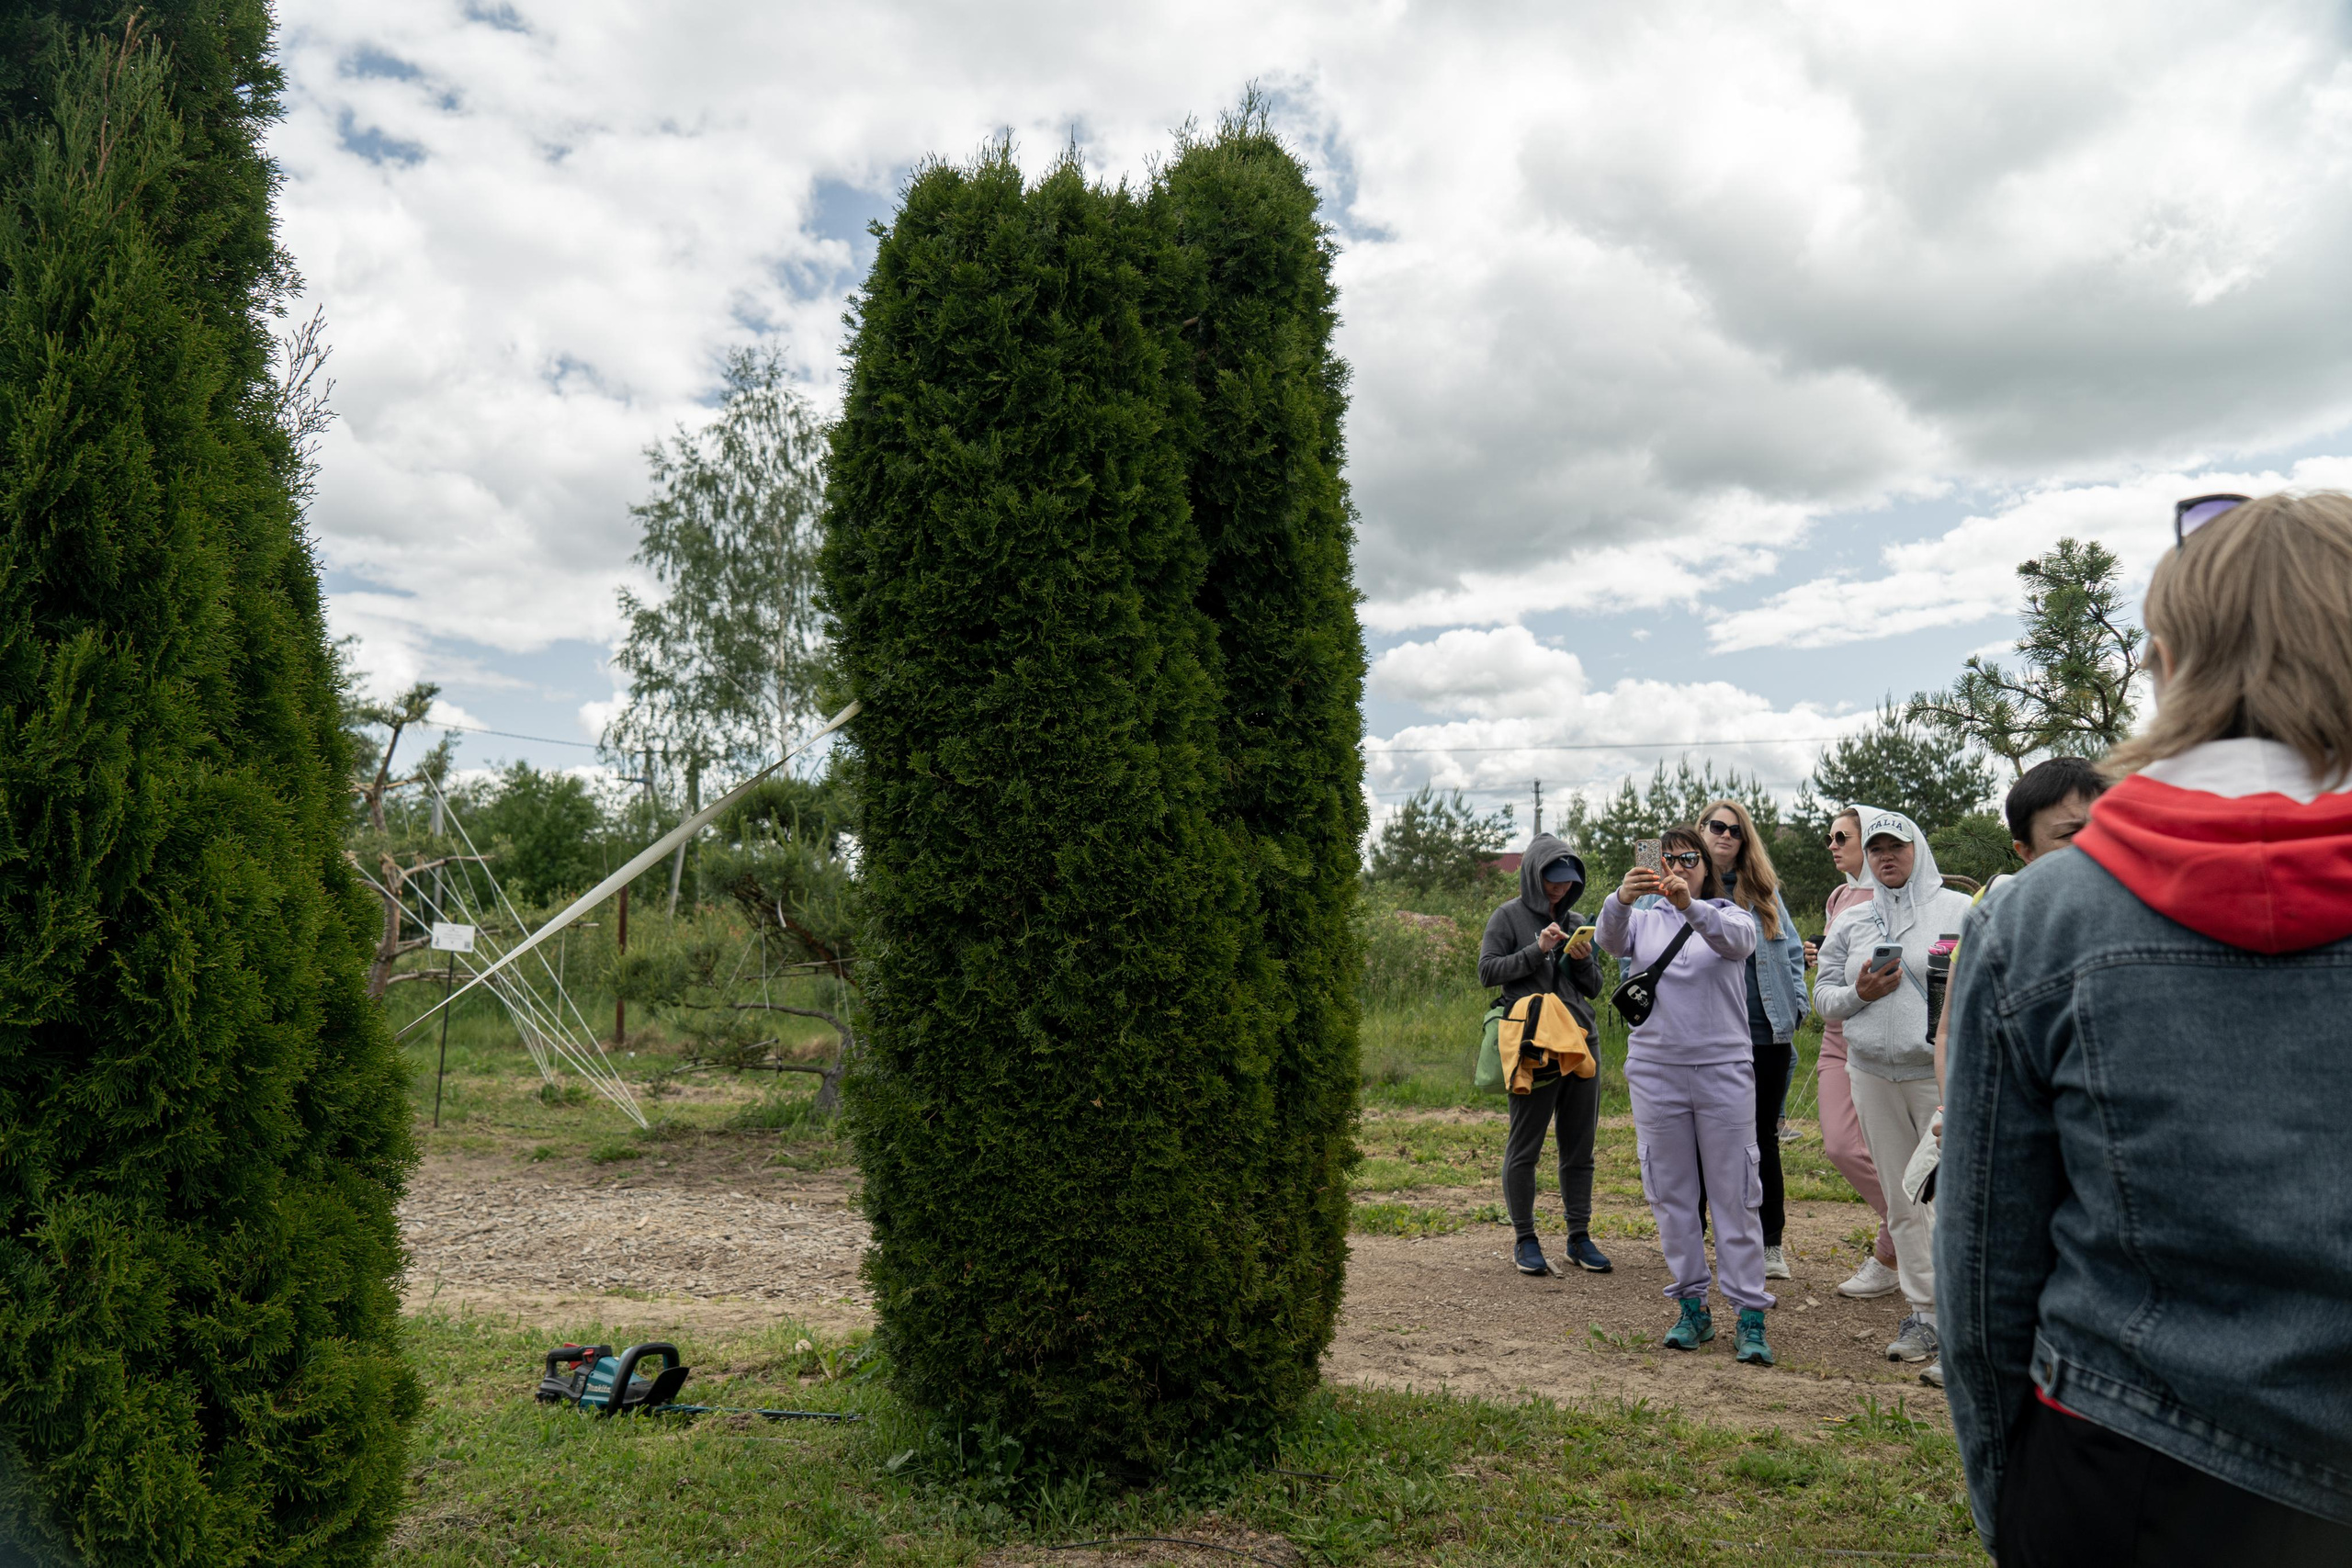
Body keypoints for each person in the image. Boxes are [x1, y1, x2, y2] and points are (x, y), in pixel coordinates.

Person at [1939, 491, 2352, 1562]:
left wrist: (2013, 1498)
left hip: (2120, 1468)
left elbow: (1986, 1264)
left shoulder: (2042, 915)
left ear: (2165, 665)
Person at [1597, 825, 1773, 1366]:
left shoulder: (1732, 913)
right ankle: (1691, 1307)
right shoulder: (1642, 921)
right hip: (1656, 1073)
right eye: (1665, 858)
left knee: (1735, 1194)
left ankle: (1750, 1315)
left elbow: (1735, 943)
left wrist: (1690, 905)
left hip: (1723, 1072)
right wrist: (1619, 898)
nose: (1676, 866)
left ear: (1707, 865)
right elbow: (1607, 940)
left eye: (1688, 857)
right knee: (1670, 1193)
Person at [1812, 809, 1970, 1373]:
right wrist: (1858, 994)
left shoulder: (1958, 912)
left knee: (1948, 1201)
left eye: (1895, 847)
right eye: (1875, 849)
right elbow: (1823, 998)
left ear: (1917, 849)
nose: (1885, 857)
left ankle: (1965, 1328)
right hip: (1871, 1074)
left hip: (1937, 1076)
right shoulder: (1855, 921)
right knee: (1903, 1202)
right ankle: (1925, 1318)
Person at [1477, 832, 1609, 1277]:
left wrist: (1584, 958)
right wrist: (1539, 949)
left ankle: (1579, 1236)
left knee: (1580, 1147)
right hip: (1533, 1046)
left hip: (1580, 1043)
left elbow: (1593, 988)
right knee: (1525, 1146)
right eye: (1552, 880)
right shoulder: (1508, 917)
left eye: (1568, 882)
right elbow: (1488, 971)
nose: (1560, 888)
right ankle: (1525, 1238)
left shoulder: (1575, 918)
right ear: (1533, 876)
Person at [1696, 798, 1807, 1280]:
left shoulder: (1762, 890)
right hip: (1706, 1037)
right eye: (1716, 827)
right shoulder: (1673, 890)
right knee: (1699, 1142)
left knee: (1761, 1140)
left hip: (1766, 1035)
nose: (1725, 836)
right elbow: (1633, 951)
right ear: (1699, 830)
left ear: (1745, 841)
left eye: (1735, 831)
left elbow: (1795, 951)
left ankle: (1770, 1245)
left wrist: (1797, 1003)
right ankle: (1693, 1241)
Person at [1804, 806, 1901, 1300]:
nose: (1833, 844)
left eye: (1842, 836)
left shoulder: (1894, 894)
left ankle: (1893, 1250)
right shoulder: (1839, 895)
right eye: (1829, 837)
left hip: (1886, 1039)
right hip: (1836, 1034)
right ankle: (1913, 1228)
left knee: (1895, 1152)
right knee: (1841, 1145)